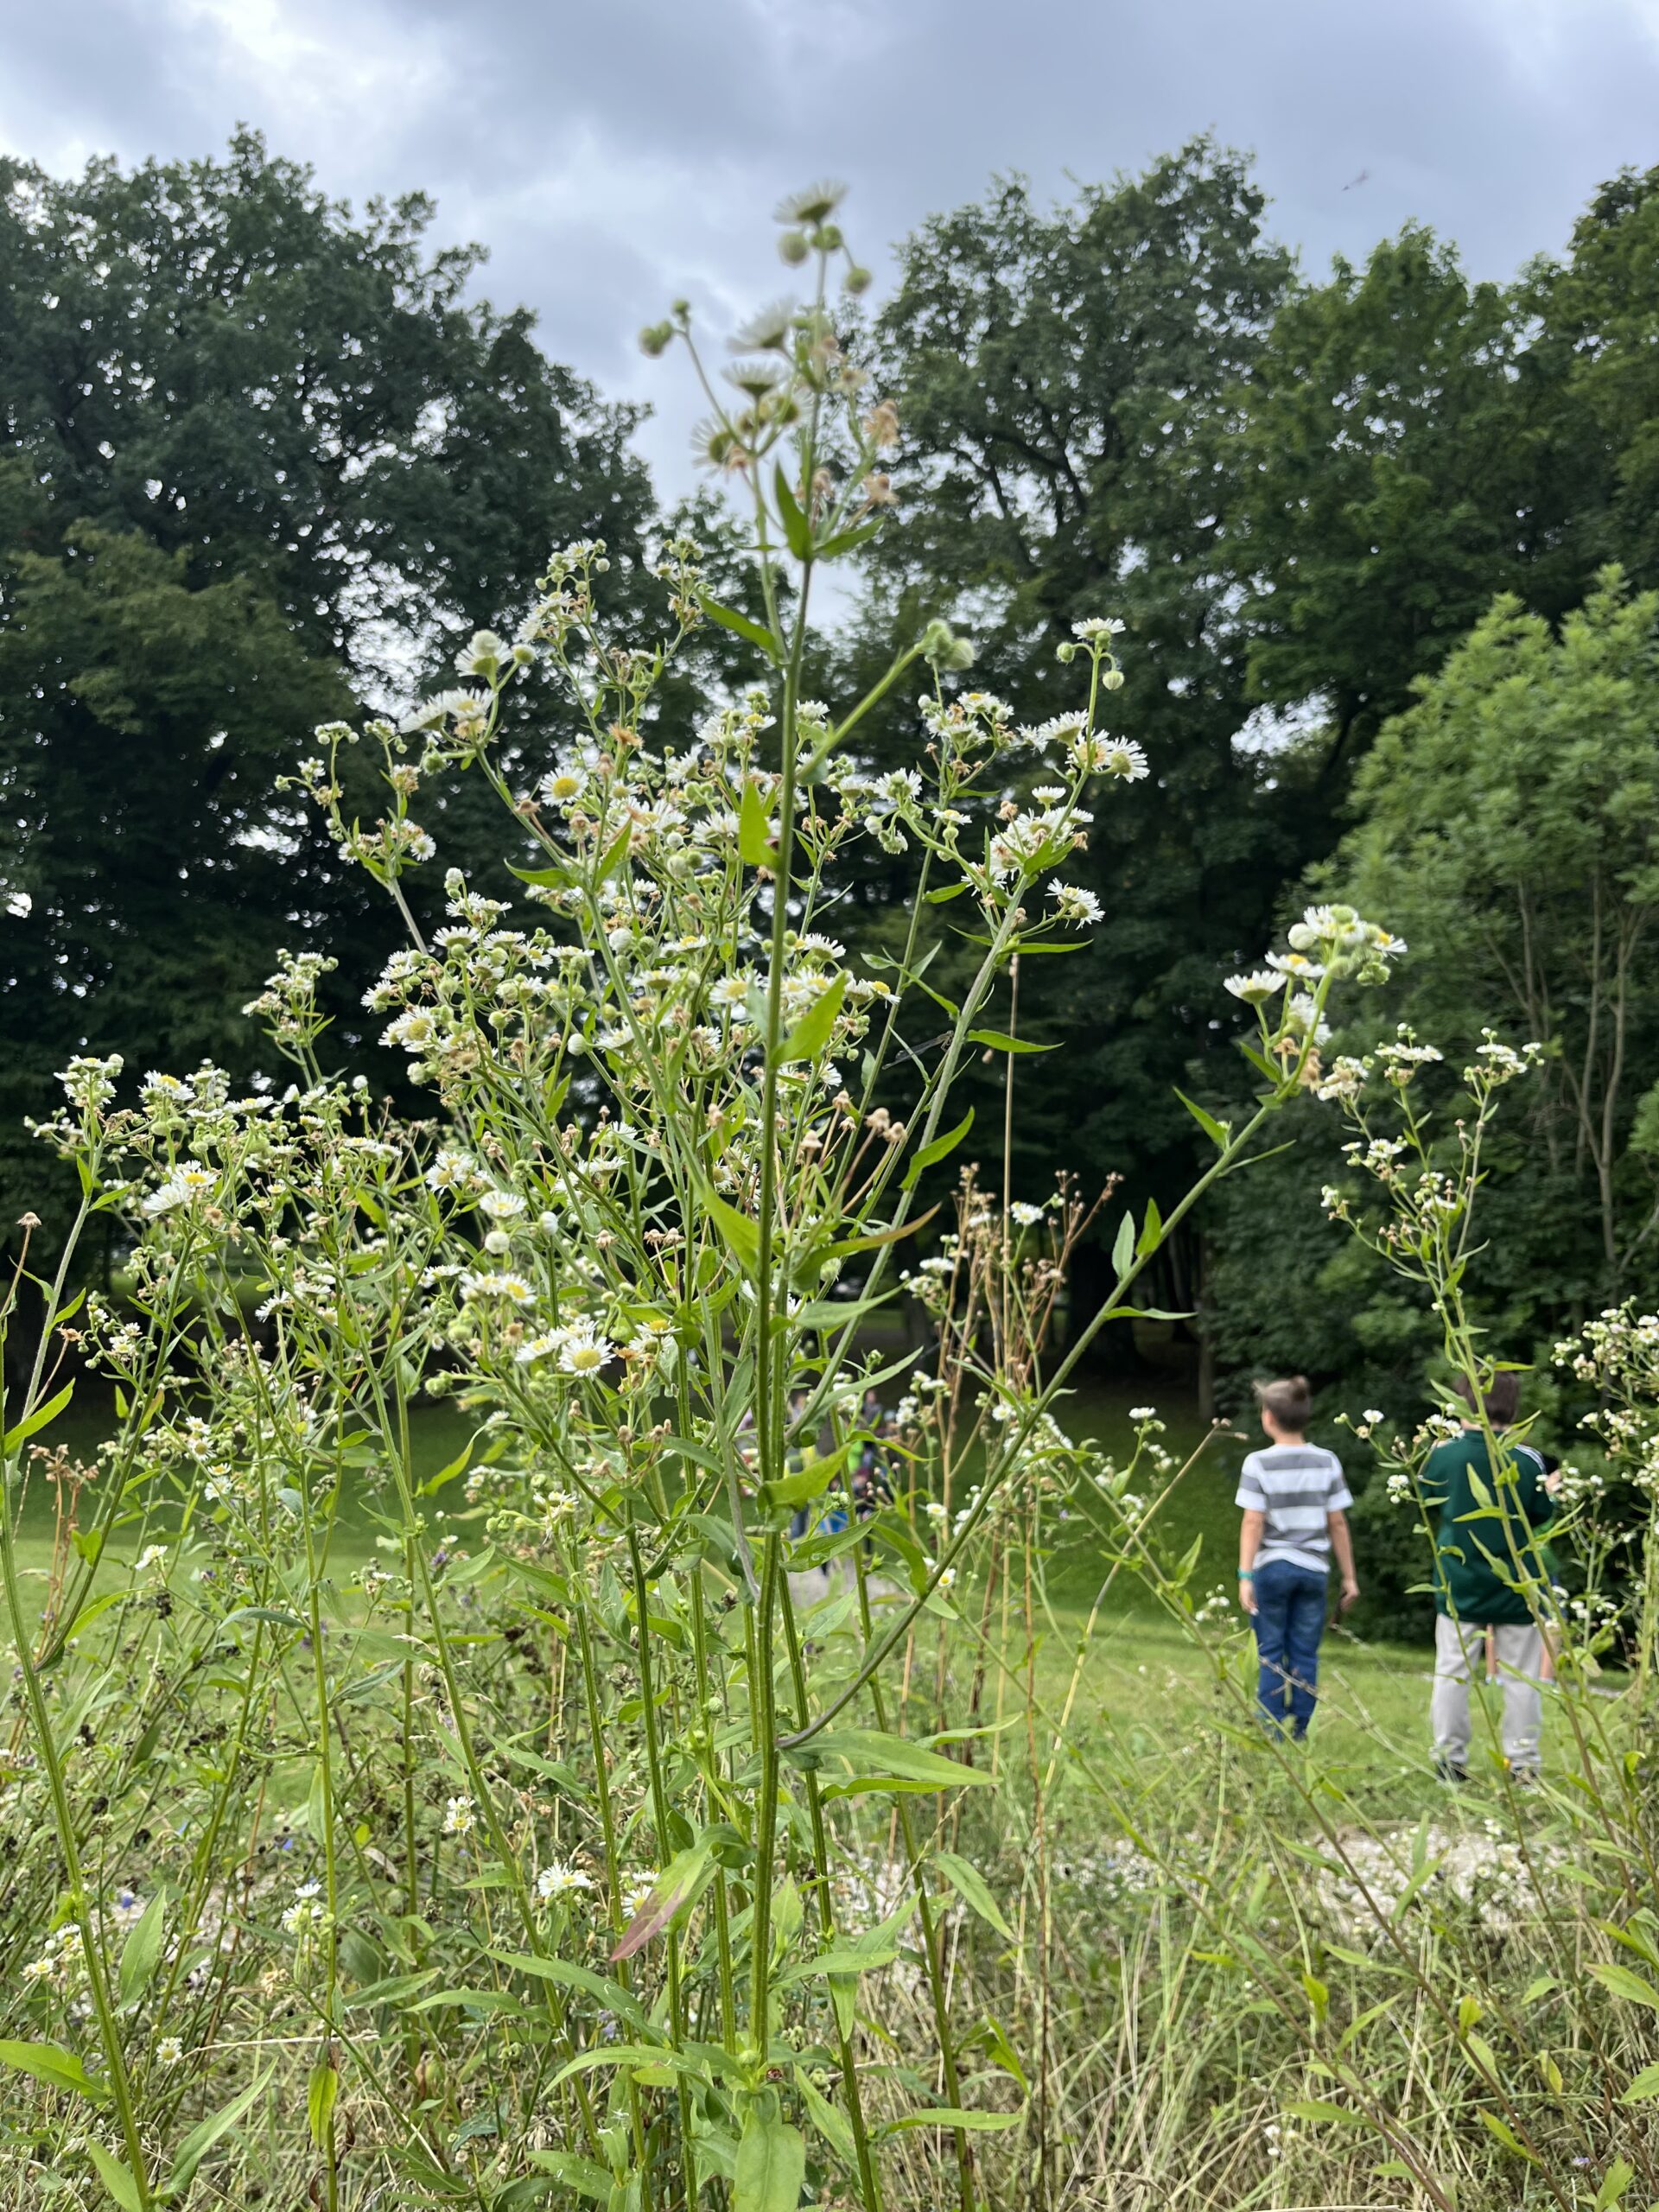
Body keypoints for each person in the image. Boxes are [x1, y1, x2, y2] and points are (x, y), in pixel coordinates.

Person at [1422, 1372, 1561, 1782]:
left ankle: (1450, 1761)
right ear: (1514, 1409)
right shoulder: (1527, 1460)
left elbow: (1425, 1497)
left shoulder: (1443, 1456)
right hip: (1516, 1584)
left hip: (1458, 1579)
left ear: (1461, 1403)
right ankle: (1523, 1764)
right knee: (1521, 1677)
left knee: (1452, 1672)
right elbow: (1542, 1513)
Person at [1236, 1376, 1358, 1739]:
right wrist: (1349, 1577)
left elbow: (1253, 1521)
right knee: (1305, 1650)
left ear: (1268, 1417)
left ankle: (1272, 1725)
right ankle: (1303, 1725)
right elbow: (1337, 1522)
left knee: (1270, 1649)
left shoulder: (1257, 1463)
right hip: (1313, 1570)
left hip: (1272, 1569)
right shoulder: (1327, 1462)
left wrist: (1245, 1575)